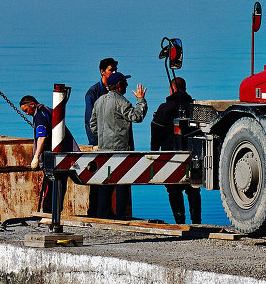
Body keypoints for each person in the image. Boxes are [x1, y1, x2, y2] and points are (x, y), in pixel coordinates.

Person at [89, 71, 147, 219]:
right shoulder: (122, 102)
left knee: (105, 183)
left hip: (104, 149)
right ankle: (121, 216)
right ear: (119, 85)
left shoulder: (99, 101)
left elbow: (92, 125)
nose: (127, 85)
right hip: (121, 150)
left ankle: (102, 215)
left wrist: (103, 137)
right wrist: (140, 100)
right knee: (122, 182)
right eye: (125, 82)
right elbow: (137, 116)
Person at [150, 76, 201, 224]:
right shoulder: (194, 107)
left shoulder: (164, 108)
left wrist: (154, 151)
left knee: (173, 189)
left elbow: (156, 130)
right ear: (184, 88)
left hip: (170, 154)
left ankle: (179, 220)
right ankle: (197, 221)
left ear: (172, 89)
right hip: (192, 153)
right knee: (193, 189)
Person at [20, 94, 78, 216]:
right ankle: (56, 214)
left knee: (49, 188)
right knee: (60, 188)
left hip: (53, 158)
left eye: (26, 110)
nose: (26, 113)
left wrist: (36, 157)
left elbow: (42, 137)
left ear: (32, 104)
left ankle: (49, 215)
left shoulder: (40, 115)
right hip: (64, 155)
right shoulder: (48, 110)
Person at [84, 57, 118, 217]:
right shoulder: (93, 92)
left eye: (115, 70)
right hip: (99, 143)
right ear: (102, 71)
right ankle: (94, 211)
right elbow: (89, 120)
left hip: (112, 142)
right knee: (97, 177)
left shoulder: (114, 90)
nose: (114, 72)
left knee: (110, 176)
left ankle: (106, 211)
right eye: (111, 70)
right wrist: (95, 142)